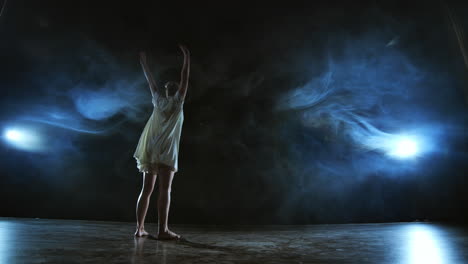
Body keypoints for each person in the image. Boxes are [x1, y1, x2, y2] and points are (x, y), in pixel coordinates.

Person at [134, 44, 190, 240]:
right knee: (165, 189)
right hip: (166, 150)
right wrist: (187, 57)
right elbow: (185, 77)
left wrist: (144, 62)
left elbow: (150, 80)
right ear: (177, 91)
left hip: (151, 148)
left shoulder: (158, 100)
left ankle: (139, 228)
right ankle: (162, 230)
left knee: (146, 190)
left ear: (167, 90)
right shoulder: (178, 103)